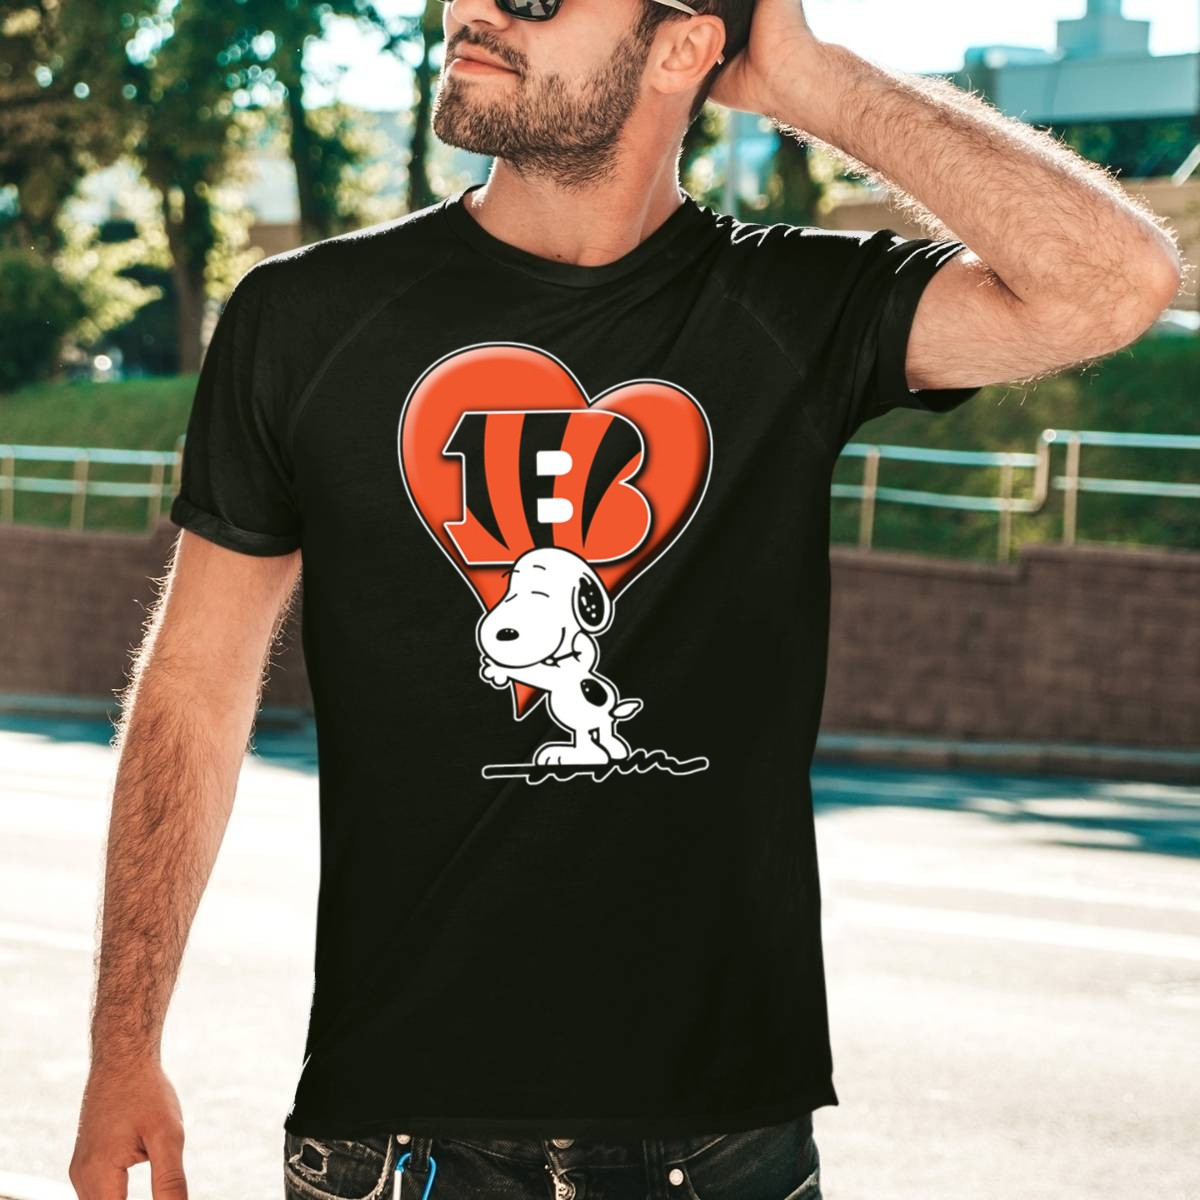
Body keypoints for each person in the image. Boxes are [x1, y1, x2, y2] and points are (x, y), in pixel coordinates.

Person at [69, 0, 1182, 1196]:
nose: (476, 10)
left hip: (724, 1142)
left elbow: (1114, 286)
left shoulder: (793, 306)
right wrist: (122, 1048)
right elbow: (191, 688)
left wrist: (811, 80)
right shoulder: (302, 316)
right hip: (397, 1135)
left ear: (683, 45)